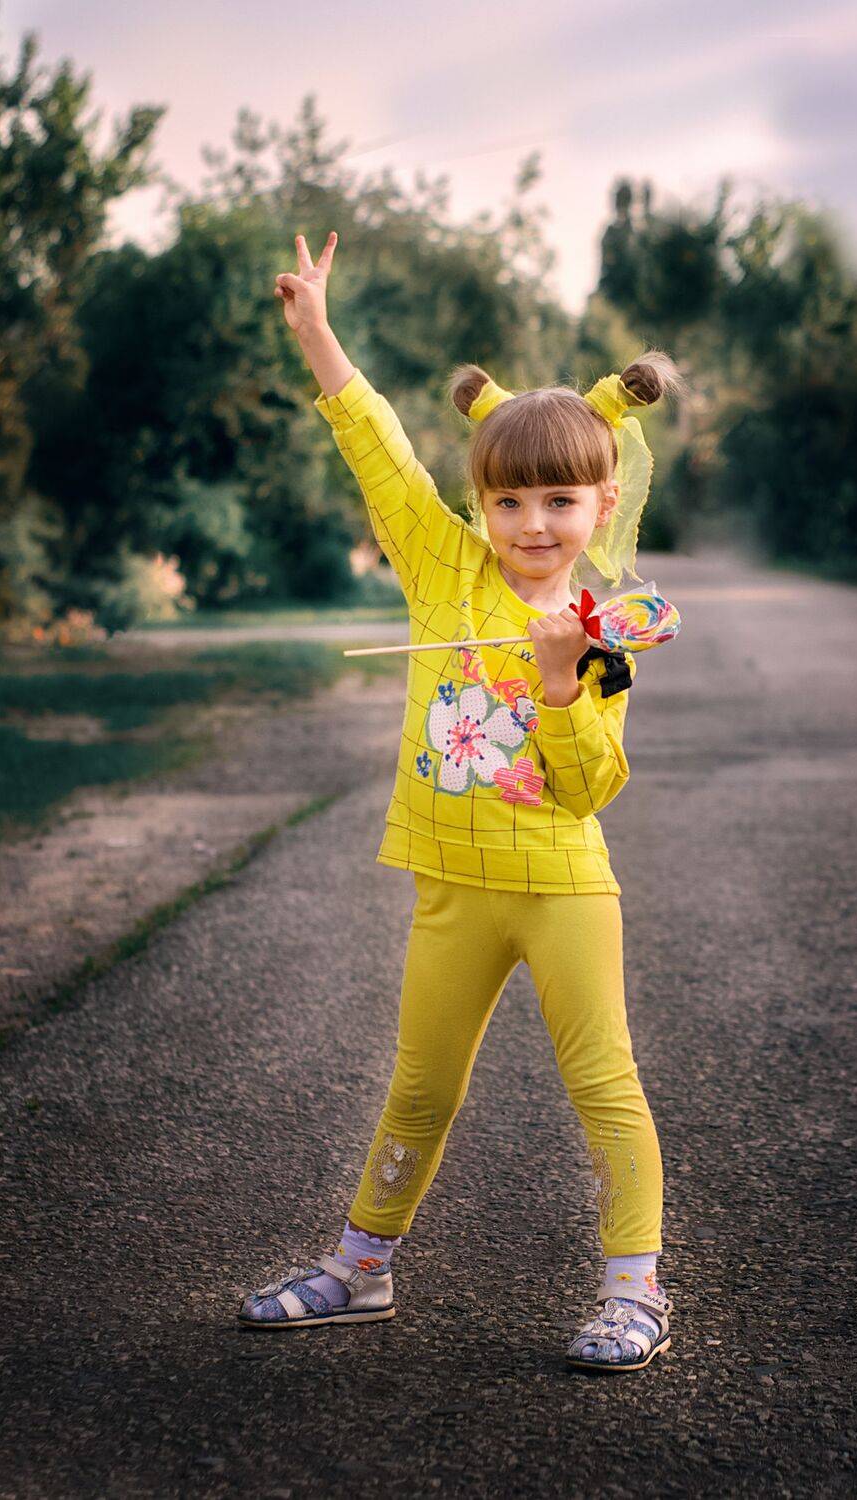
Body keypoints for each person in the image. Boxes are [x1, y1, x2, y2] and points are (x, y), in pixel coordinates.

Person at [237, 231, 685, 1371]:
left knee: (604, 1085)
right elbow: (381, 450)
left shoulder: (603, 637)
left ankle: (634, 1289)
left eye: (560, 500)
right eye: (510, 498)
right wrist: (317, 333)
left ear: (603, 504)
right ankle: (360, 1269)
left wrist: (559, 684)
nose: (534, 523)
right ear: (483, 502)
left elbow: (591, 788)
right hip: (452, 884)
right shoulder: (443, 572)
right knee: (419, 1087)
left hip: (562, 889)